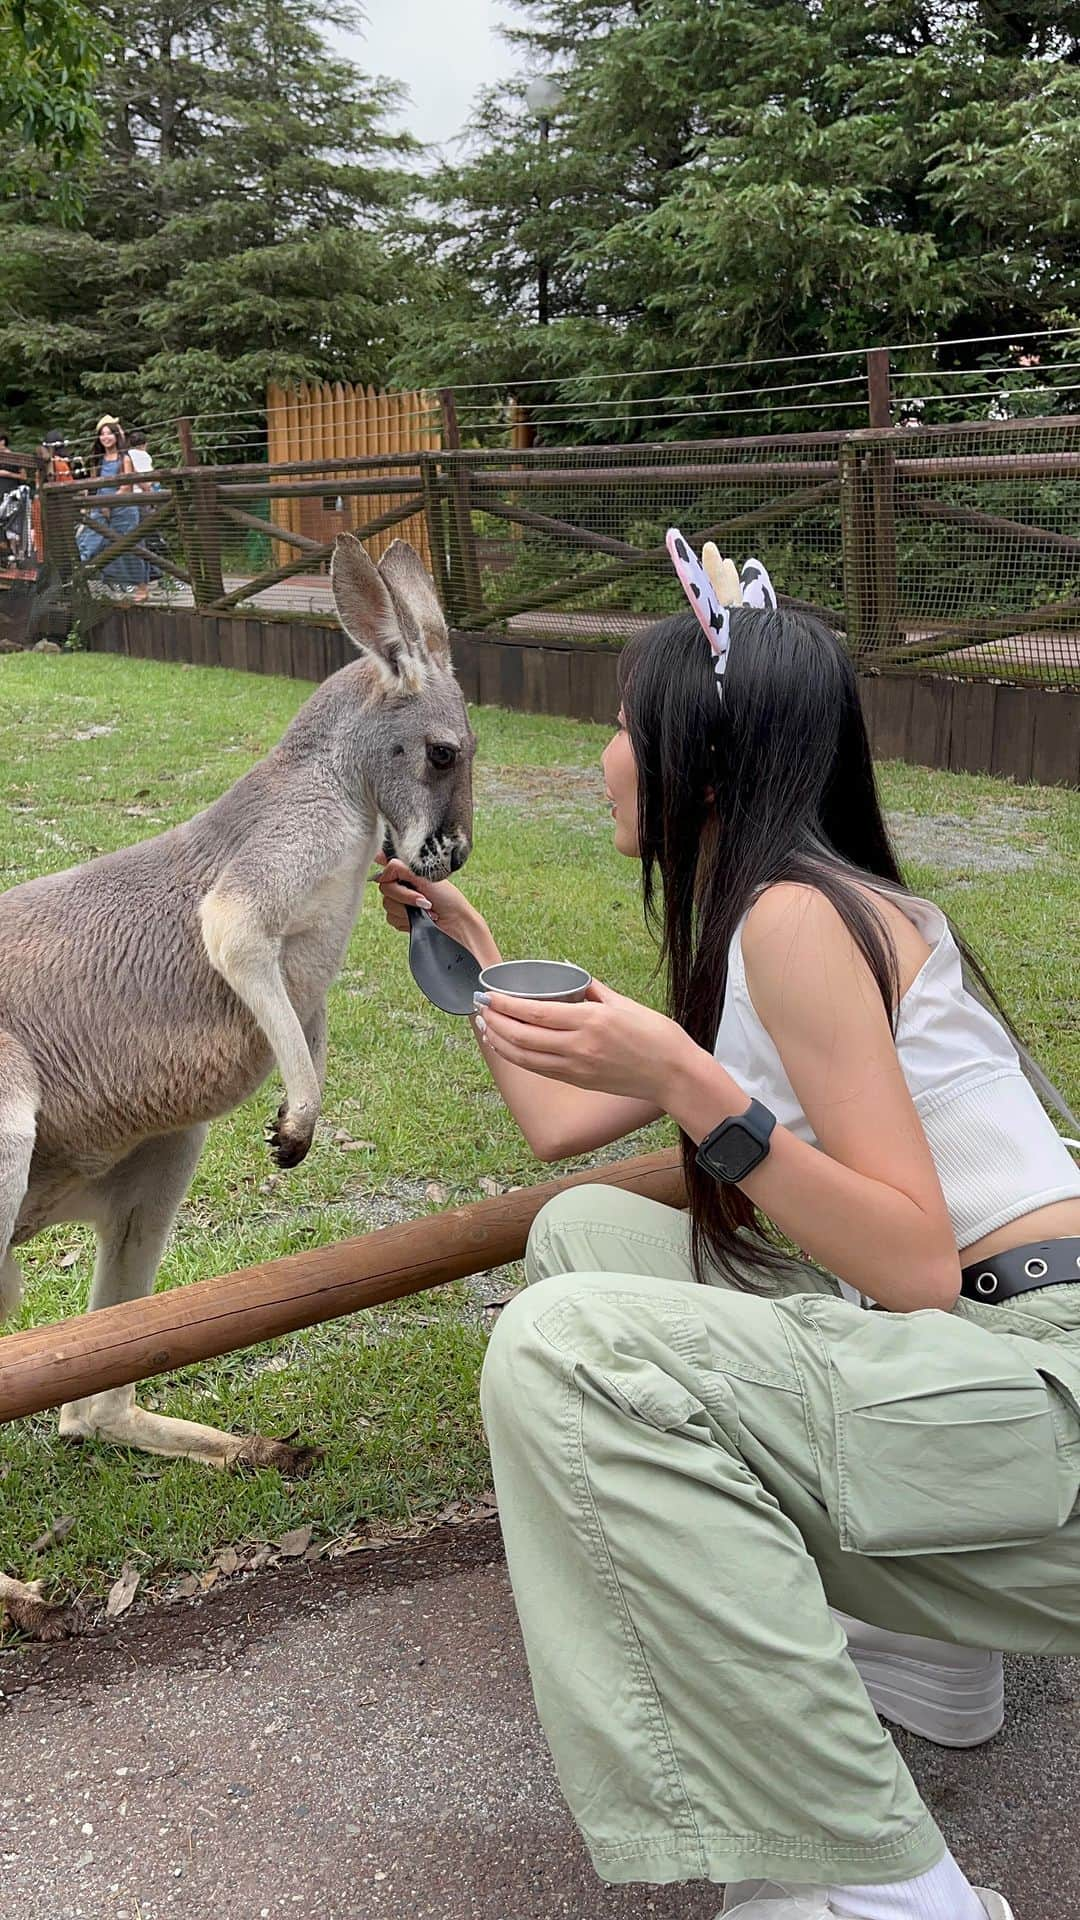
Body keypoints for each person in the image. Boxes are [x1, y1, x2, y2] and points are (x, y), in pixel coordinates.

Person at [375, 536, 1080, 1920]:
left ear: (702, 756)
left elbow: (915, 1261)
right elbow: (563, 1132)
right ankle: (920, 1650)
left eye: (624, 728)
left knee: (573, 1353)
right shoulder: (778, 912)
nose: (603, 757)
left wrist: (688, 1083)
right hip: (987, 1372)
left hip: (1040, 1377)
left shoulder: (797, 920)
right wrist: (471, 940)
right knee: (585, 1241)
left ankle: (875, 1890)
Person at [75, 415, 149, 597]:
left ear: (116, 436)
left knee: (130, 547)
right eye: (102, 434)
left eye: (109, 433)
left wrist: (109, 503)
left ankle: (142, 587)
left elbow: (126, 486)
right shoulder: (97, 459)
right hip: (101, 507)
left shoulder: (125, 458)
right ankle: (78, 582)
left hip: (123, 508)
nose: (106, 437)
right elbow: (94, 485)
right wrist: (92, 504)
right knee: (88, 542)